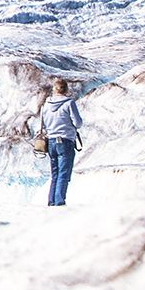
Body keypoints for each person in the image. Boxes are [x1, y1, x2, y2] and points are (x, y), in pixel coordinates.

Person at [41, 77, 83, 206]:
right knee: (63, 174)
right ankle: (59, 202)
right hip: (65, 141)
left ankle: (51, 201)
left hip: (51, 142)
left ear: (54, 89)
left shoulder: (46, 104)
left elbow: (43, 123)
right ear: (66, 89)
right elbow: (78, 123)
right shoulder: (69, 103)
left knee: (55, 174)